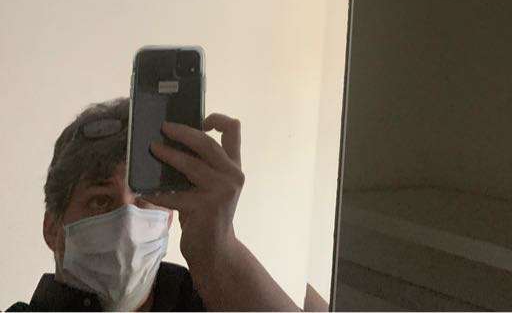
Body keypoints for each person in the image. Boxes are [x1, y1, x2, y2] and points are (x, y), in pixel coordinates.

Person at [7, 98, 299, 311]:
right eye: (101, 200)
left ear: (170, 219)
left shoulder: (219, 302)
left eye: (144, 198)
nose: (127, 220)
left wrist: (222, 255)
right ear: (52, 228)